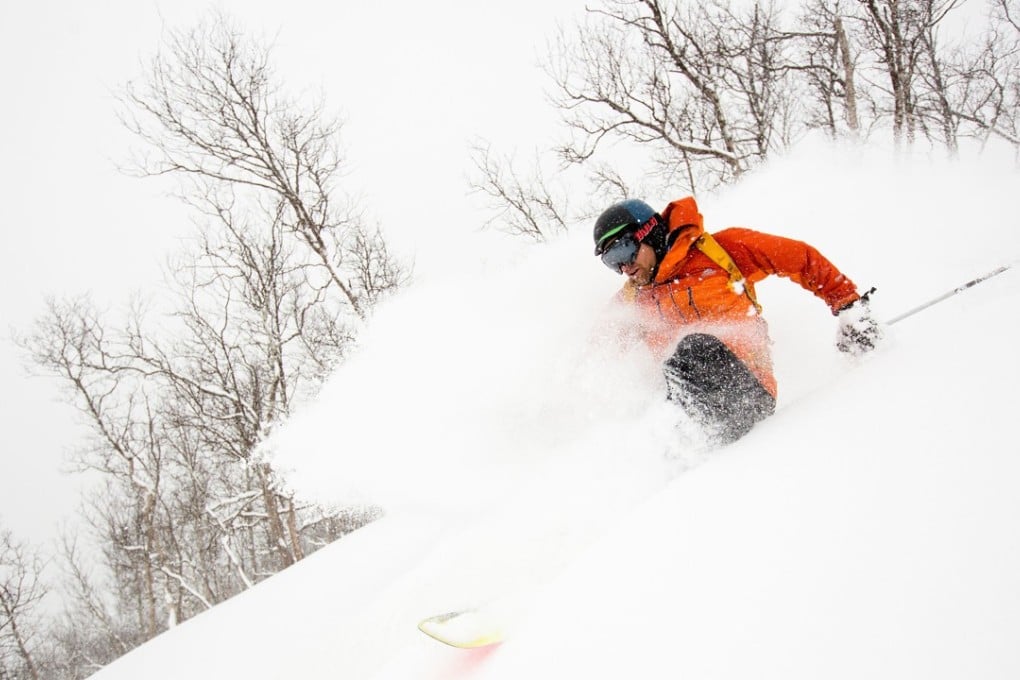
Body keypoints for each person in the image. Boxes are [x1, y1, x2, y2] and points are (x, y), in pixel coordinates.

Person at [594, 196, 880, 444]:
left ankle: (686, 441)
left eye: (623, 251)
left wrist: (849, 307)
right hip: (679, 405)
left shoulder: (720, 250)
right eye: (611, 262)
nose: (624, 267)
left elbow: (800, 258)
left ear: (649, 232)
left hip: (745, 389)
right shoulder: (631, 301)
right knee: (647, 395)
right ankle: (666, 455)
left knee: (692, 348)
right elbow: (598, 350)